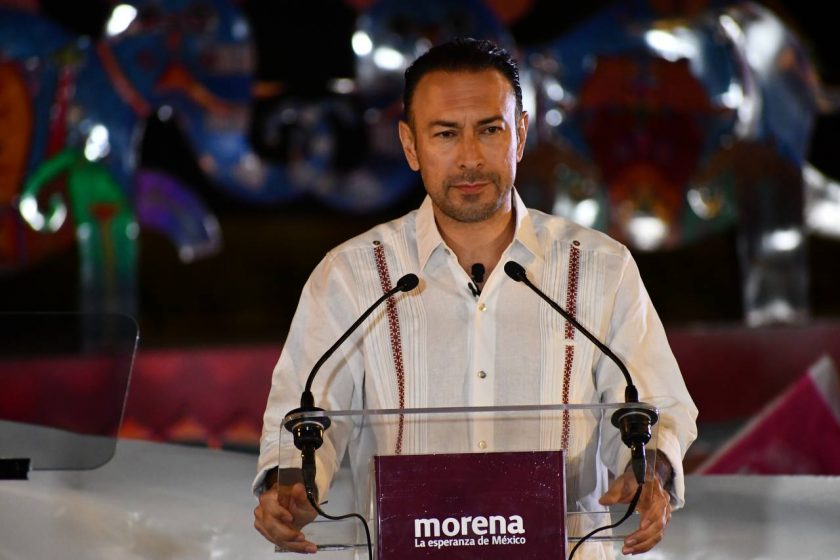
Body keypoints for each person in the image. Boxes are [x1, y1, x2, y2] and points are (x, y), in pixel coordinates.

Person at [253, 37, 698, 558]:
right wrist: (292, 485)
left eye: (490, 130)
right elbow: (304, 411)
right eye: (445, 134)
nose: (469, 158)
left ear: (521, 135)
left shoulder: (601, 268)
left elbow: (657, 406)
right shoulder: (353, 275)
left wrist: (649, 471)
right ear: (410, 145)